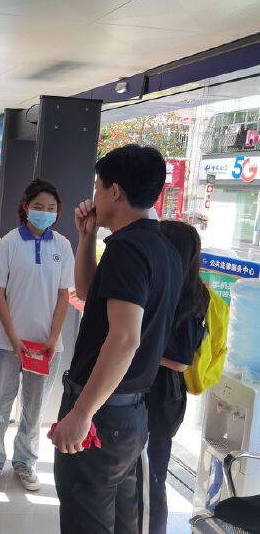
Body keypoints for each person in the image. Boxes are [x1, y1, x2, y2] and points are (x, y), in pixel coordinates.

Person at [50, 145, 182, 534]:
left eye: (97, 185)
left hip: (103, 416)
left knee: (86, 521)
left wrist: (81, 413)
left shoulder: (128, 249)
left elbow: (124, 339)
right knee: (123, 523)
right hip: (129, 415)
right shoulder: (161, 247)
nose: (93, 195)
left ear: (114, 191)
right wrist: (86, 237)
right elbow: (89, 293)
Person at [0, 180, 73, 489]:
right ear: (26, 207)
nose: (45, 212)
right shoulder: (9, 242)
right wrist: (14, 337)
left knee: (35, 407)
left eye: (51, 208)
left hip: (46, 346)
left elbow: (63, 295)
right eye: (39, 206)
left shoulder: (62, 245)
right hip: (7, 342)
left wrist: (54, 337)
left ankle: (25, 462)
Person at [144, 221, 209, 534]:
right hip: (160, 395)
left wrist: (134, 349)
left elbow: (182, 361)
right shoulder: (174, 286)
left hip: (161, 395)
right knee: (145, 473)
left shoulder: (189, 295)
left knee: (153, 476)